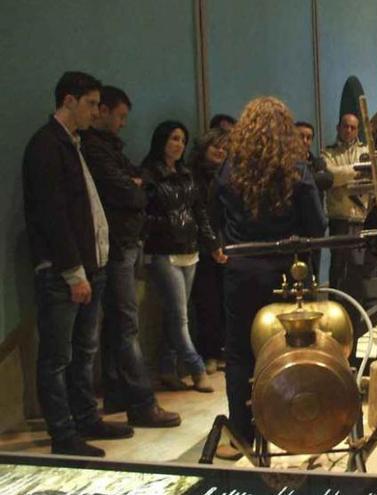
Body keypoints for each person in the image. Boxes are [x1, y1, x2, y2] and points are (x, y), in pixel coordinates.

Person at [23, 71, 133, 457]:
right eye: (89, 103)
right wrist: (73, 272)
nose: (95, 111)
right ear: (68, 101)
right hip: (63, 271)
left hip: (91, 266)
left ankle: (86, 417)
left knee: (85, 350)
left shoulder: (74, 144)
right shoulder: (47, 145)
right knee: (57, 356)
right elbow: (53, 215)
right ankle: (62, 432)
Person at [216, 96, 326, 459]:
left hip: (240, 271)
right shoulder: (296, 168)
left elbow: (216, 213)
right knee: (294, 348)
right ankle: (293, 422)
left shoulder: (230, 169)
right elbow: (317, 224)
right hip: (284, 273)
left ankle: (242, 434)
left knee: (239, 353)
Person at [81, 86, 181, 427]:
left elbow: (141, 189)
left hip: (122, 241)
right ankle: (140, 401)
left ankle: (116, 393)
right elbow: (128, 191)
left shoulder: (109, 148)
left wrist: (137, 187)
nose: (123, 123)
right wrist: (135, 187)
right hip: (115, 244)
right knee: (124, 325)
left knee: (116, 325)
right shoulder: (93, 148)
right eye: (119, 115)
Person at [141, 121, 226, 393]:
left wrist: (212, 243)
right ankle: (197, 368)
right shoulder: (149, 174)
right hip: (164, 250)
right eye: (174, 139)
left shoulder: (186, 173)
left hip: (190, 249)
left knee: (175, 315)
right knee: (180, 318)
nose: (178, 145)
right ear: (162, 141)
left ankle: (166, 368)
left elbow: (199, 211)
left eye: (182, 140)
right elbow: (146, 212)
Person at [323, 114, 372, 344]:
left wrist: (345, 174)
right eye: (346, 126)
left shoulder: (366, 149)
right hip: (339, 219)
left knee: (360, 269)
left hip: (361, 218)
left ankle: (359, 319)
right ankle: (336, 316)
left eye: (353, 127)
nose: (349, 131)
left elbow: (373, 174)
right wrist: (356, 170)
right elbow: (331, 177)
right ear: (339, 127)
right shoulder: (327, 153)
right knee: (338, 269)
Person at [189, 128, 229, 375]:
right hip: (202, 246)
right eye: (215, 146)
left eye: (224, 148)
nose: (220, 151)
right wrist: (212, 243)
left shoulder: (227, 176)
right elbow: (200, 213)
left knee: (224, 302)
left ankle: (222, 350)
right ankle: (208, 354)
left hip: (225, 243)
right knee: (207, 304)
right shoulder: (193, 175)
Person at [294, 120, 332, 278]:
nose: (305, 141)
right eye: (301, 136)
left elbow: (328, 180)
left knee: (314, 267)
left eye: (309, 137)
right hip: (294, 226)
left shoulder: (318, 162)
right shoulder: (286, 163)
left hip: (315, 225)